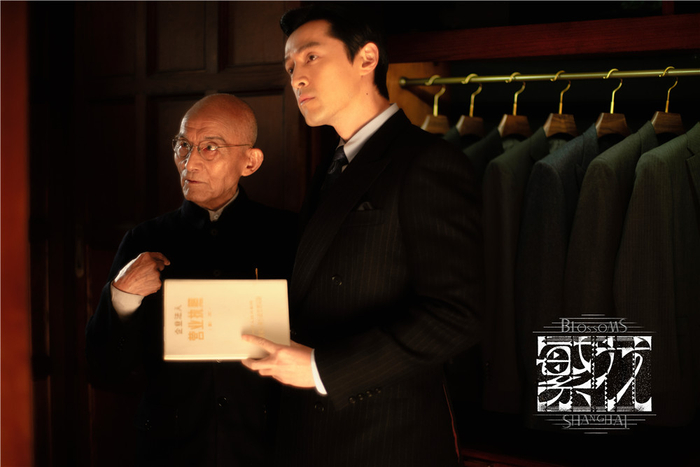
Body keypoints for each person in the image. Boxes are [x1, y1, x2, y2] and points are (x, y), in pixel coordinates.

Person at [241, 5, 483, 466]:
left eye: (311, 57)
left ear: (367, 58)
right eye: (290, 67)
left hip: (383, 437)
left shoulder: (427, 161)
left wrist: (322, 369)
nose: (297, 78)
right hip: (310, 431)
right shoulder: (333, 164)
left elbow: (458, 315)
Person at [85, 94, 296, 467]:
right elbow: (103, 371)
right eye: (183, 146)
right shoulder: (143, 241)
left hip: (267, 446)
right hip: (170, 450)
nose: (189, 162)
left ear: (250, 161)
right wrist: (122, 297)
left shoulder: (288, 235)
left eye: (210, 148)